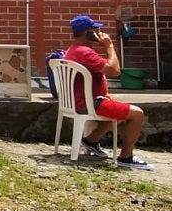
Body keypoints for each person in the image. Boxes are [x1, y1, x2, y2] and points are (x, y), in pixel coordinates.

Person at [64, 14, 154, 171]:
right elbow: (115, 71)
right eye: (96, 30)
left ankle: (92, 140)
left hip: (80, 100)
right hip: (91, 102)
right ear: (87, 33)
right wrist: (109, 46)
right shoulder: (86, 52)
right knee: (137, 114)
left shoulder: (73, 50)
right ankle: (126, 157)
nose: (99, 32)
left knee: (118, 108)